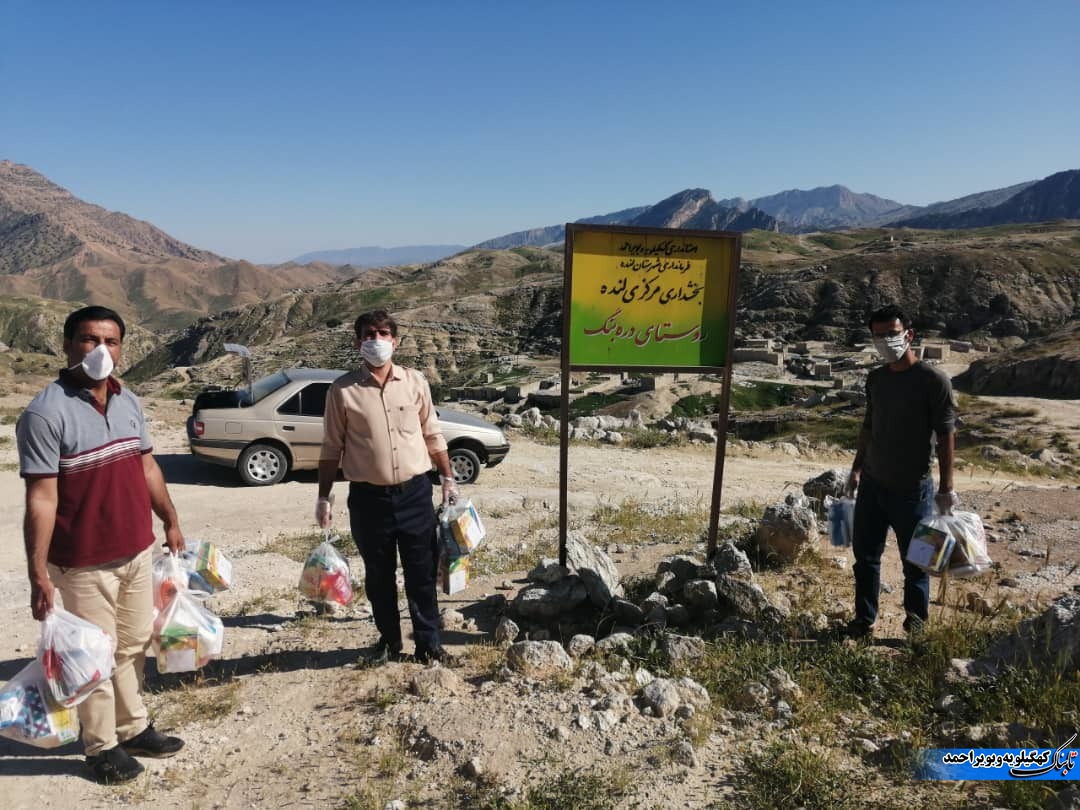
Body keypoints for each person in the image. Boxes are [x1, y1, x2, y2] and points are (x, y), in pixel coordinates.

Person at [17, 305, 186, 784]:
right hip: (84, 561)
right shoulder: (45, 413)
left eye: (111, 342)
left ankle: (133, 727)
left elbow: (148, 467)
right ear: (68, 346)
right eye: (90, 340)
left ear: (122, 350)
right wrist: (38, 572)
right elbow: (42, 499)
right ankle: (101, 746)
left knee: (132, 645)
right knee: (93, 656)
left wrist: (170, 519)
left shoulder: (126, 400)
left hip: (136, 549)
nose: (101, 351)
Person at [316, 310, 459, 665]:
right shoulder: (342, 391)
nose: (376, 340)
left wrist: (448, 477)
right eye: (368, 334)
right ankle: (389, 642)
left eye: (383, 333)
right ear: (357, 342)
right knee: (379, 576)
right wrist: (323, 496)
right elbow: (331, 447)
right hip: (368, 499)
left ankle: (429, 644)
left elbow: (432, 433)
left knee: (421, 573)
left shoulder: (414, 383)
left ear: (394, 341)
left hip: (414, 495)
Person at [845, 304, 958, 639]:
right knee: (865, 558)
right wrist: (855, 469)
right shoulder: (876, 379)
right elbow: (869, 426)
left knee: (918, 563)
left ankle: (917, 630)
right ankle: (863, 622)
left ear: (908, 335)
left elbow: (947, 434)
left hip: (914, 490)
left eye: (891, 335)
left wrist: (947, 488)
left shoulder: (932, 381)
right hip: (873, 485)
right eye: (878, 336)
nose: (884, 342)